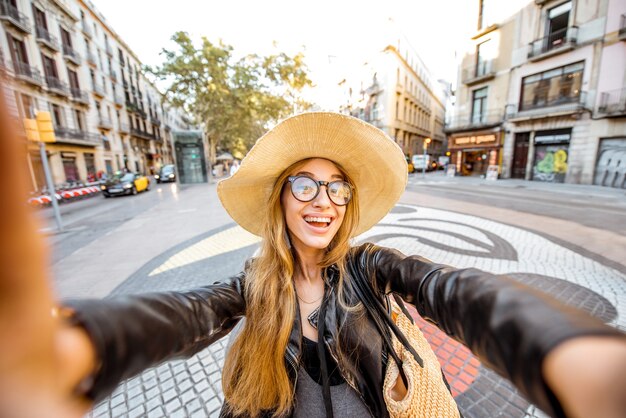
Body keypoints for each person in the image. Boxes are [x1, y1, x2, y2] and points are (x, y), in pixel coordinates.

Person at [0, 105, 625, 418]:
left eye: (337, 186)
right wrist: (81, 344)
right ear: (281, 198)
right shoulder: (252, 283)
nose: (322, 201)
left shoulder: (372, 266)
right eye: (304, 184)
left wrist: (561, 348)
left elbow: (451, 290)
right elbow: (187, 314)